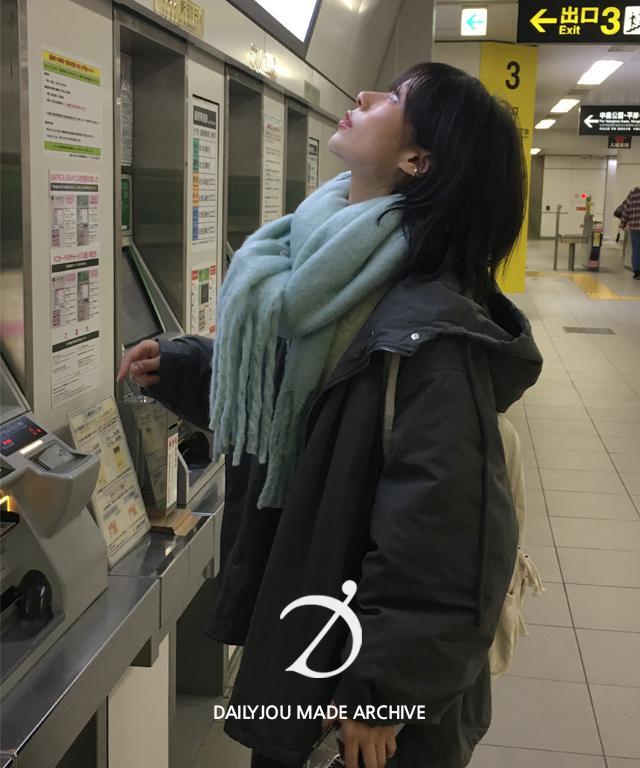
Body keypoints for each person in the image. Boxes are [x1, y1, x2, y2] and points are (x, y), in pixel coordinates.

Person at [118, 62, 543, 768]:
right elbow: (302, 402)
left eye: (395, 98)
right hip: (314, 625)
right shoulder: (327, 265)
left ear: (417, 160)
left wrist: (383, 693)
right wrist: (189, 368)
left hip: (362, 687)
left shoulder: (426, 332)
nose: (365, 97)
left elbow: (443, 533)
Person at [619, 184, 640, 279]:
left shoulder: (633, 192)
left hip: (634, 226)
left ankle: (637, 272)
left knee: (636, 248)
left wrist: (623, 223)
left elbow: (626, 209)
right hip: (634, 226)